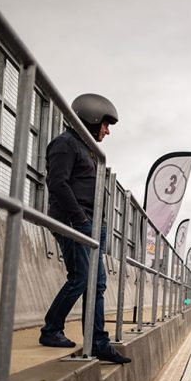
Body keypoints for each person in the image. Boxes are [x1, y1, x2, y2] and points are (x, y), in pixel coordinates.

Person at [39, 93, 129, 364]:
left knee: (96, 283)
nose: (107, 131)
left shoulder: (86, 149)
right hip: (73, 221)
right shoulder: (66, 144)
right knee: (81, 278)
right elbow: (57, 183)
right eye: (105, 124)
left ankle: (97, 341)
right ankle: (52, 330)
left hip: (88, 222)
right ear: (90, 118)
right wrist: (80, 219)